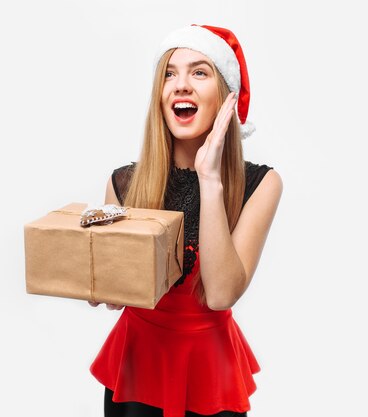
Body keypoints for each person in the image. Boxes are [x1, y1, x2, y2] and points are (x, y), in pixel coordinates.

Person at [88, 24, 283, 417]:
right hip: (136, 368)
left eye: (199, 72)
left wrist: (209, 180)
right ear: (159, 97)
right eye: (169, 74)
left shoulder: (261, 184)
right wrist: (100, 283)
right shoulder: (122, 183)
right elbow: (120, 293)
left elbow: (221, 294)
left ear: (226, 97)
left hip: (211, 372)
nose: (181, 85)